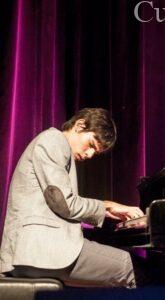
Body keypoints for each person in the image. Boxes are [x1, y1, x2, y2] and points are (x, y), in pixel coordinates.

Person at [0, 107, 144, 288]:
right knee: (134, 269)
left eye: (95, 152)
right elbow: (64, 203)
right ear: (79, 125)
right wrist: (108, 207)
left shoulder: (56, 146)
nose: (90, 155)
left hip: (37, 252)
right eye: (91, 145)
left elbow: (55, 209)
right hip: (42, 252)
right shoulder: (53, 140)